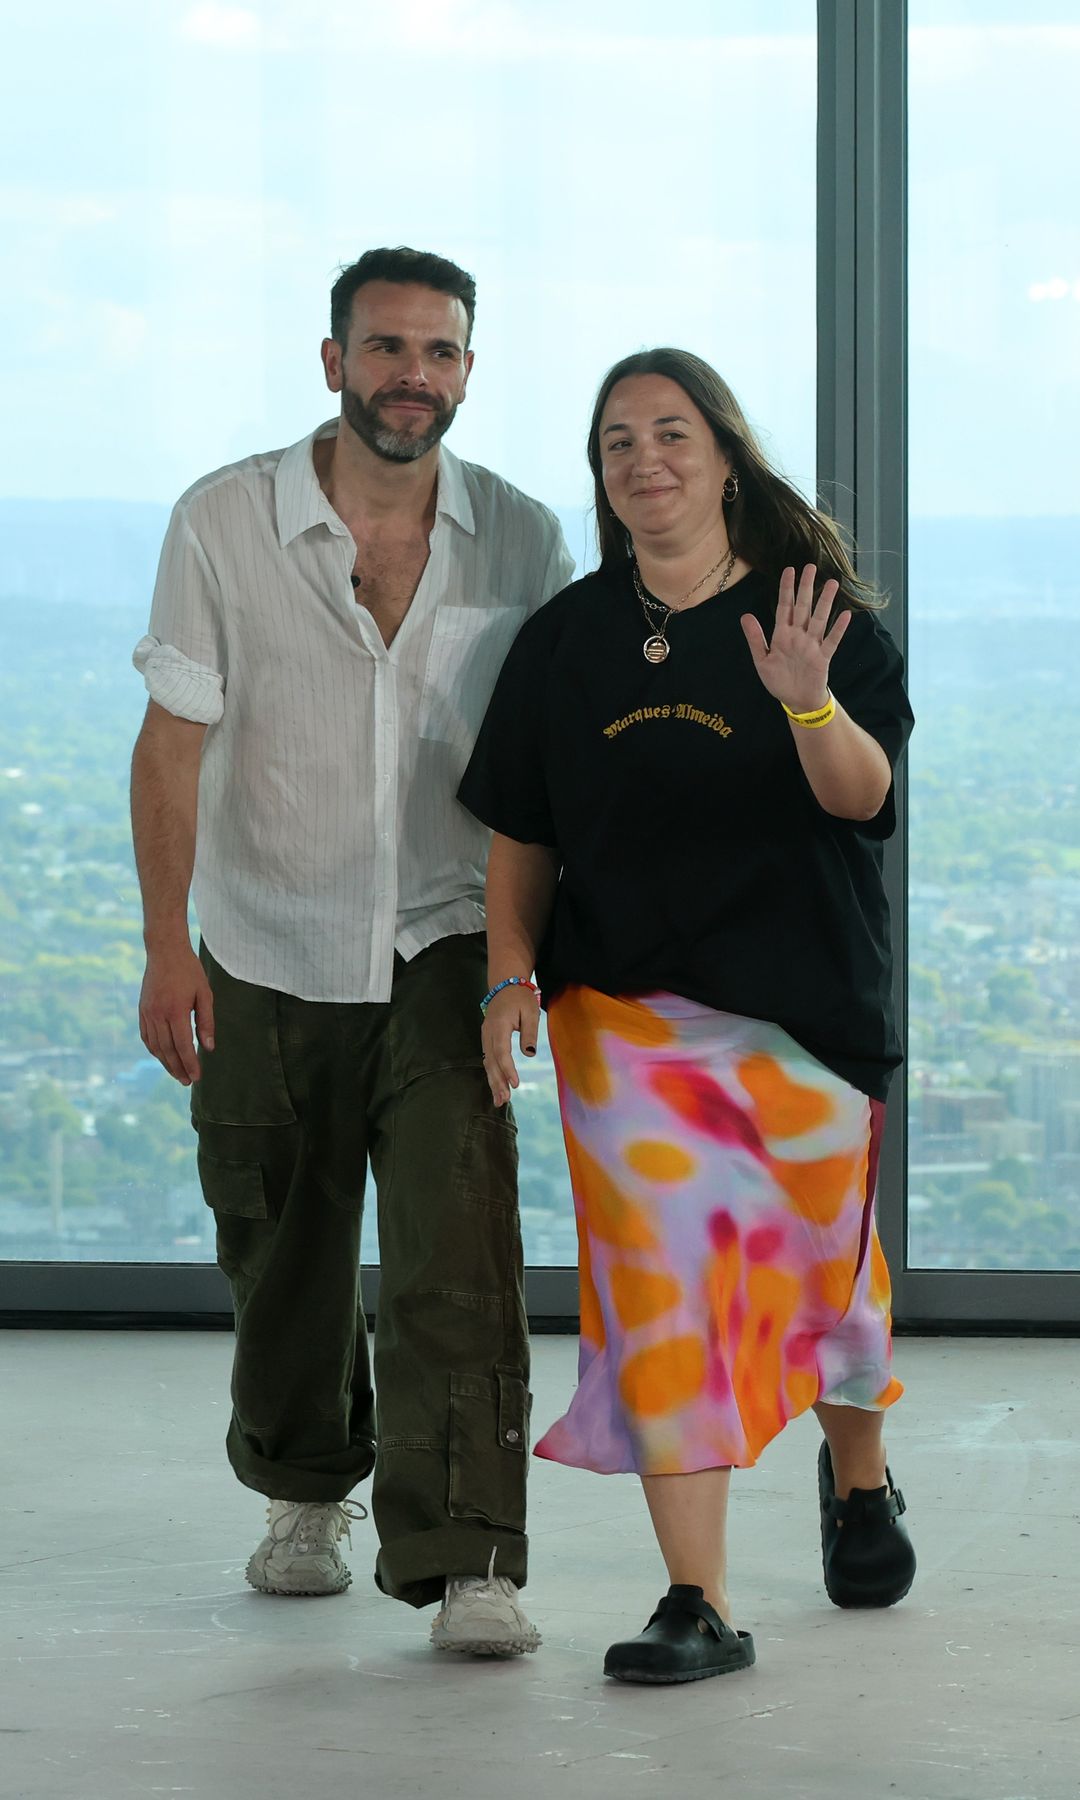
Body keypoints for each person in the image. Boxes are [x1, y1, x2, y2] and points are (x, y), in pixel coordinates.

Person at [130, 246, 574, 1658]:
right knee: (284, 1245)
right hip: (265, 948)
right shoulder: (222, 521)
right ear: (333, 361)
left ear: (468, 372)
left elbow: (544, 778)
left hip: (446, 942)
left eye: (440, 354)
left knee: (461, 1255)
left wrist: (520, 966)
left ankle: (469, 1557)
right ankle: (304, 1494)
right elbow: (172, 746)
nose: (412, 378)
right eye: (386, 349)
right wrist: (166, 950)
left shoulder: (521, 536)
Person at [458, 347, 917, 1685]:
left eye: (672, 433)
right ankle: (695, 1599)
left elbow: (861, 797)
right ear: (600, 476)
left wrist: (808, 702)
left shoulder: (813, 616)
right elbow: (521, 840)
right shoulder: (566, 642)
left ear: (723, 455)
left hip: (802, 1013)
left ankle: (860, 1476)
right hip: (625, 1023)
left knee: (820, 1277)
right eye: (617, 442)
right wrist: (506, 981)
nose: (645, 460)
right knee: (662, 1295)